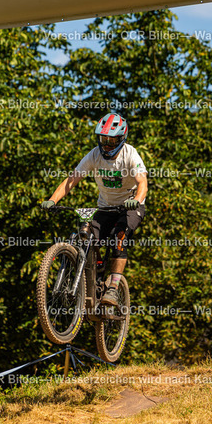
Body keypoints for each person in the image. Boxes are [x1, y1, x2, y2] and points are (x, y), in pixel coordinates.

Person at [41, 112, 148, 309]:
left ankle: (113, 288)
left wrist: (136, 200)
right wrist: (52, 200)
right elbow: (72, 180)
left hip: (130, 206)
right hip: (105, 207)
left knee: (119, 237)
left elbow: (143, 183)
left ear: (121, 139)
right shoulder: (94, 155)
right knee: (88, 237)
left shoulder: (130, 154)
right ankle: (94, 279)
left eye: (111, 140)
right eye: (103, 139)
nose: (106, 145)